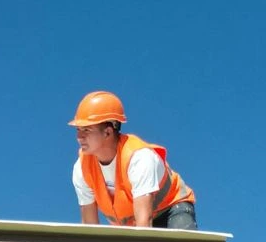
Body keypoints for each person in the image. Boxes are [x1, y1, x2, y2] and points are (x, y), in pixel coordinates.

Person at [69, 91, 199, 231]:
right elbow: (90, 227)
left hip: (171, 211)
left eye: (86, 130)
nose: (79, 137)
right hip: (130, 225)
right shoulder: (82, 168)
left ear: (108, 132)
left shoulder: (139, 159)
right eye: (78, 129)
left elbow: (144, 223)